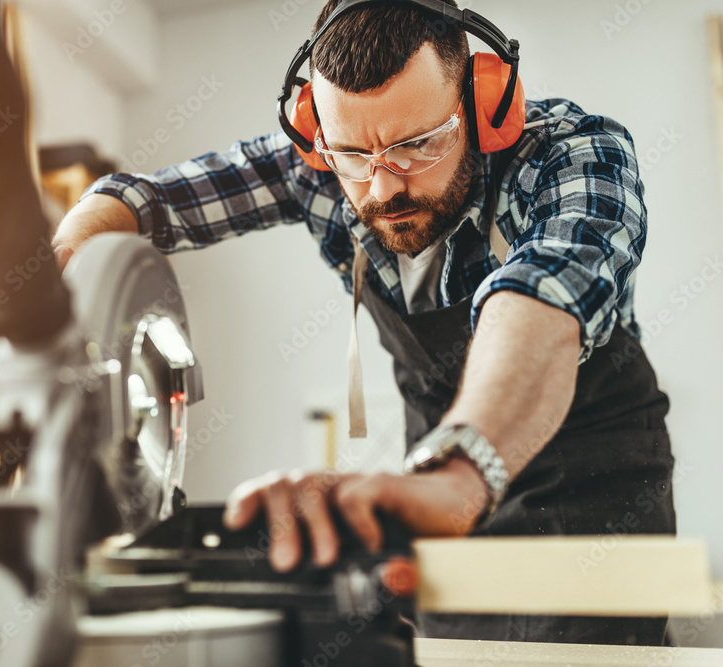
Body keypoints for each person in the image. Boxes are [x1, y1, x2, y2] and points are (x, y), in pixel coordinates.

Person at [53, 0, 676, 646]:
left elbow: (539, 300)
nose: (382, 188)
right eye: (353, 153)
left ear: (483, 103)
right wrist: (51, 290)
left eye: (417, 145)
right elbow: (141, 202)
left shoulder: (573, 156)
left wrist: (459, 476)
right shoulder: (318, 164)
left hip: (592, 510)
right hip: (441, 520)